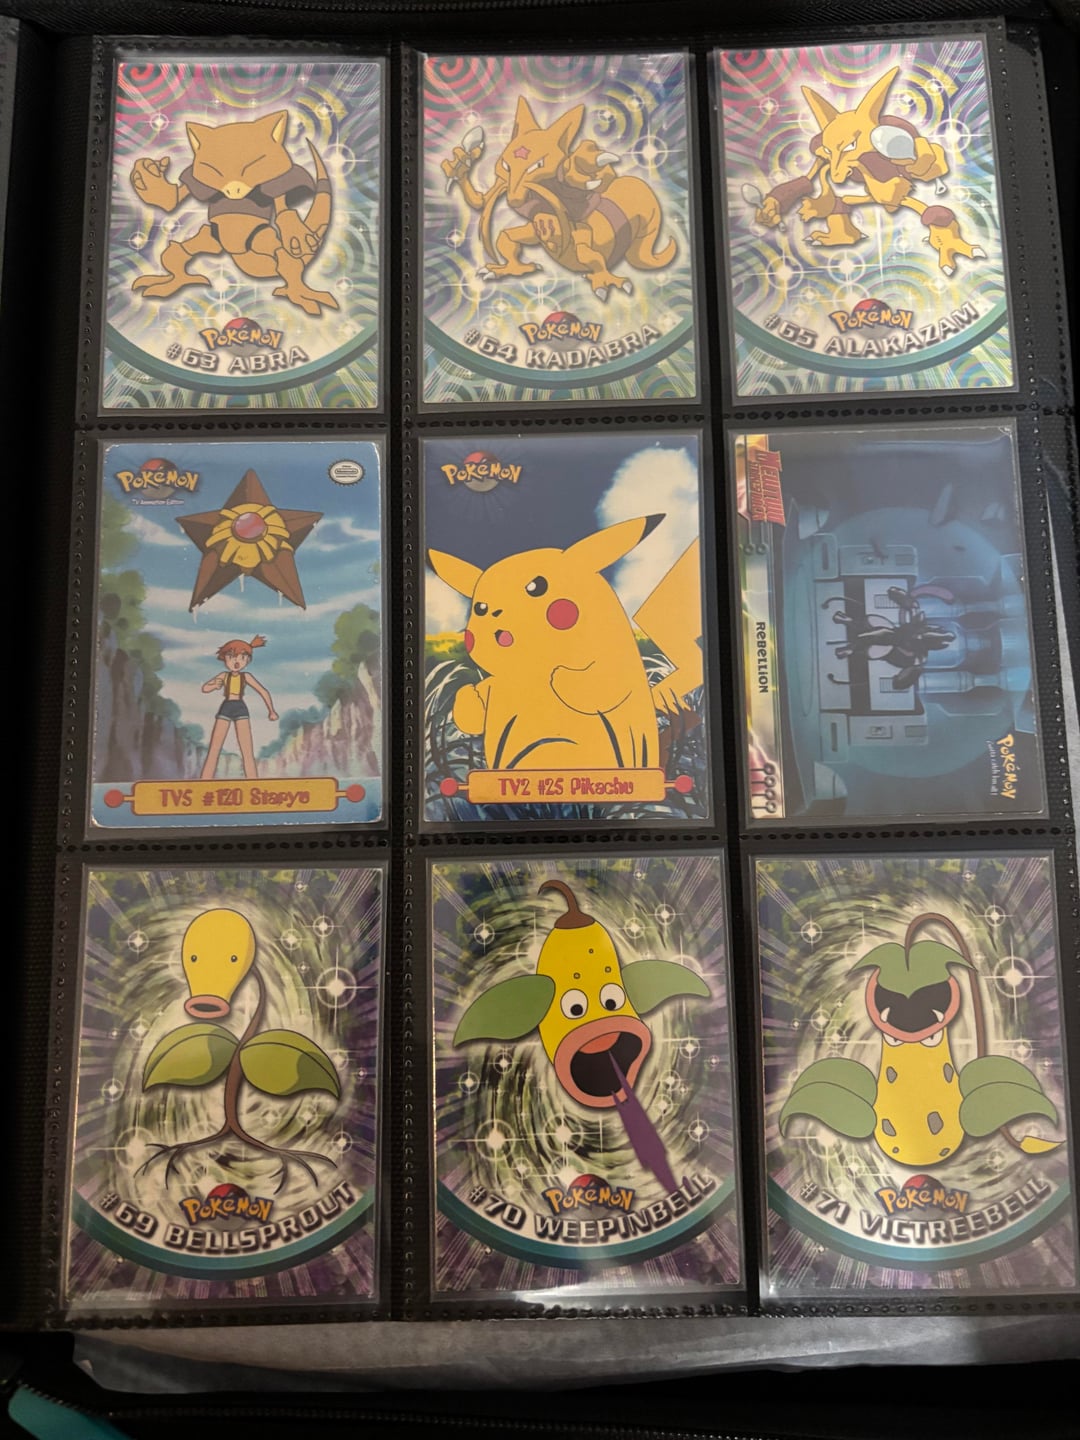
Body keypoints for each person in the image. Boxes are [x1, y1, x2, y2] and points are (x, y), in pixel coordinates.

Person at [200, 635, 278, 780]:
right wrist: (214, 685)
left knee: (247, 750)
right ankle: (204, 781)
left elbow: (263, 691)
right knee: (214, 748)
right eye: (231, 657)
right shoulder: (224, 675)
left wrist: (271, 711)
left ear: (247, 660)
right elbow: (205, 688)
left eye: (242, 658)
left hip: (240, 708)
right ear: (225, 659)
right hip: (226, 707)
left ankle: (253, 782)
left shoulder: (246, 676)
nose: (237, 661)